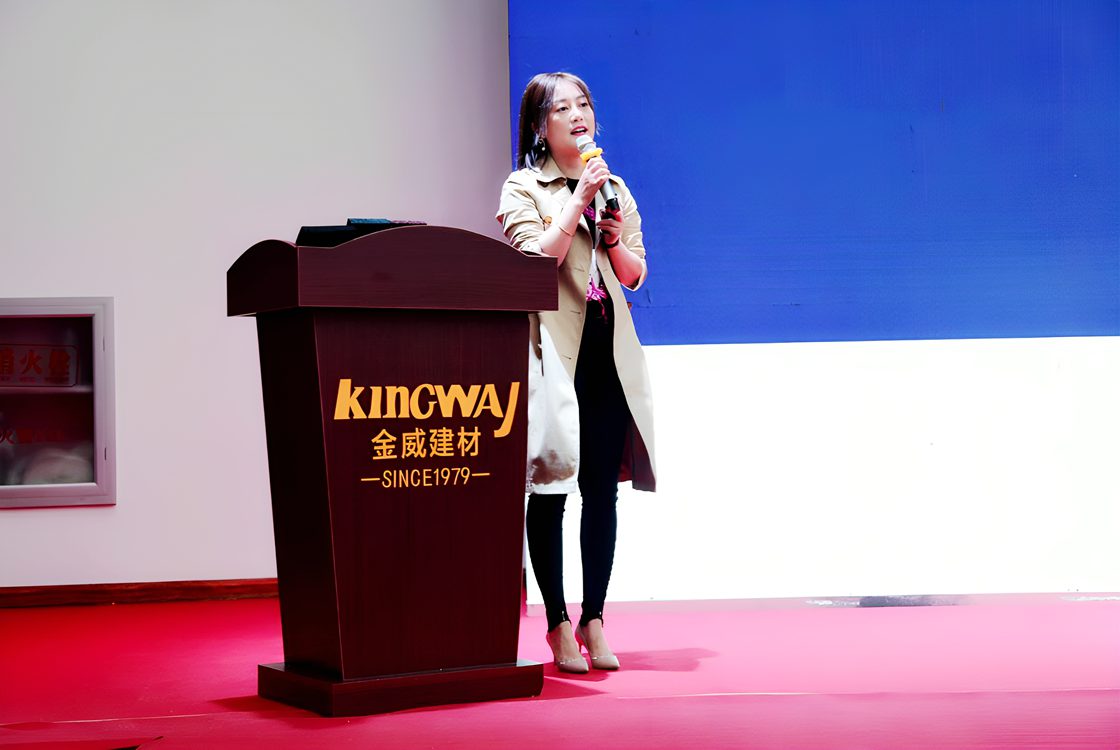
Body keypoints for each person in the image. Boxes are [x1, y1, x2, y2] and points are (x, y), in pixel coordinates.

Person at [496, 72, 656, 674]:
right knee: (550, 486)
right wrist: (575, 202)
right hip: (553, 352)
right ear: (540, 126)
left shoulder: (613, 186)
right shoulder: (524, 186)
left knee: (601, 490)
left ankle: (595, 618)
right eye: (561, 108)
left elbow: (634, 273)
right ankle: (557, 624)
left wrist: (612, 238)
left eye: (583, 104)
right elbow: (535, 261)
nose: (577, 114)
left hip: (607, 349)